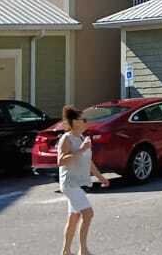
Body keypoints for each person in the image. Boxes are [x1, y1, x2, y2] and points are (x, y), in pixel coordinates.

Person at [58, 105, 110, 255]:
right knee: (88, 214)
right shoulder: (66, 139)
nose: (86, 122)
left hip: (77, 183)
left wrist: (101, 178)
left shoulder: (81, 138)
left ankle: (66, 251)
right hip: (69, 183)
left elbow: (89, 162)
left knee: (74, 217)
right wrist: (80, 149)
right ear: (75, 122)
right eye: (83, 119)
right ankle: (83, 250)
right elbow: (61, 161)